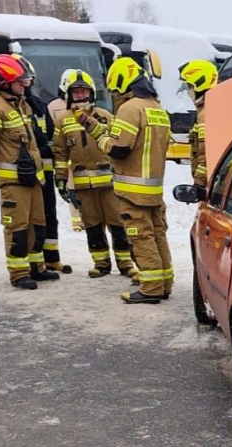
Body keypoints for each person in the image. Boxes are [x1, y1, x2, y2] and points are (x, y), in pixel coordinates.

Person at [81, 58, 172, 304]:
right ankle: (164, 283)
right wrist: (92, 126)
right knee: (157, 236)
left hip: (132, 190)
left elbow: (119, 148)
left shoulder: (130, 108)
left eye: (115, 91)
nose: (115, 96)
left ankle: (151, 288)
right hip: (153, 189)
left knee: (141, 238)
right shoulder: (157, 109)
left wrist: (102, 142)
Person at [0, 54, 56, 290]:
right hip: (14, 182)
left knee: (37, 225)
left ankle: (36, 267)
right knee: (17, 228)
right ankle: (19, 273)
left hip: (33, 179)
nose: (24, 85)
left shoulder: (21, 105)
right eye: (20, 81)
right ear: (5, 82)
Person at [52, 69, 138, 280]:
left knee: (118, 223)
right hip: (83, 186)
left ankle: (126, 263)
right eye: (76, 92)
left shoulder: (105, 116)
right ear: (69, 95)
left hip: (109, 184)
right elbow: (60, 153)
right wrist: (60, 179)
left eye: (84, 91)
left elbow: (118, 145)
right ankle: (101, 263)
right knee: (92, 225)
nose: (80, 95)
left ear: (91, 93)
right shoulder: (62, 121)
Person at [11, 53, 71, 275]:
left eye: (27, 81)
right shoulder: (9, 109)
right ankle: (30, 262)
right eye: (21, 81)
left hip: (44, 171)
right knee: (26, 220)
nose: (25, 85)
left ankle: (51, 258)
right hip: (23, 173)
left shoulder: (39, 106)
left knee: (48, 216)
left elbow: (52, 139)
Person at [46, 71, 85, 234]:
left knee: (77, 189)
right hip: (71, 154)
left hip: (75, 154)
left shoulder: (53, 106)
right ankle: (78, 221)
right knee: (74, 190)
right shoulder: (54, 107)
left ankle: (81, 220)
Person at [178, 59, 218, 191]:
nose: (188, 90)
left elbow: (205, 153)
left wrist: (199, 183)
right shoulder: (208, 107)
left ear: (199, 83)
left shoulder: (207, 112)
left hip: (208, 184)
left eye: (189, 85)